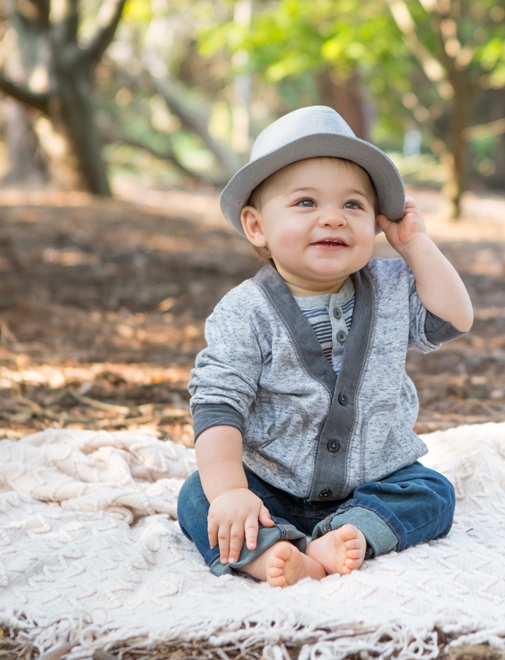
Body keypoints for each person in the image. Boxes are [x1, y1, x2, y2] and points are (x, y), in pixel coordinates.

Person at [176, 106, 473, 587]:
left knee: (433, 492)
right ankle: (270, 552)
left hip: (375, 481)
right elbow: (217, 405)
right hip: (271, 484)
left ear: (375, 222)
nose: (333, 217)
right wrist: (231, 491)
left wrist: (415, 244)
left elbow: (454, 318)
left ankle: (343, 534)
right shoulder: (244, 311)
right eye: (306, 203)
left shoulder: (392, 286)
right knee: (199, 497)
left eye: (353, 205)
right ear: (256, 227)